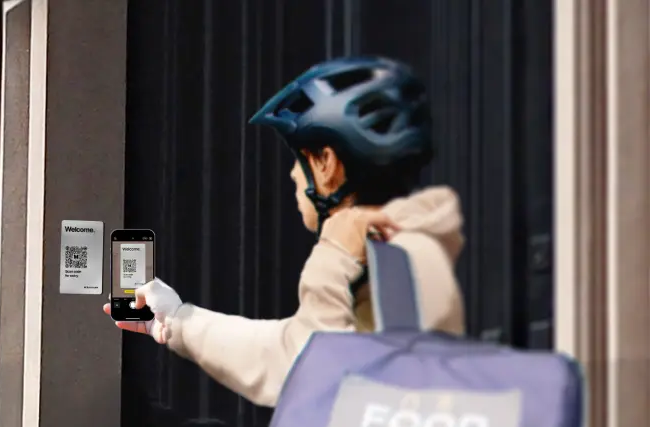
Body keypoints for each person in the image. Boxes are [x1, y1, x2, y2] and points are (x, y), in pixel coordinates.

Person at [103, 56, 465, 407]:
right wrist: (177, 319)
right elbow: (288, 351)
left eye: (299, 159)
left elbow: (316, 380)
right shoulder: (391, 251)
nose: (293, 174)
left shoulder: (394, 259)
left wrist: (334, 257)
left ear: (326, 163)